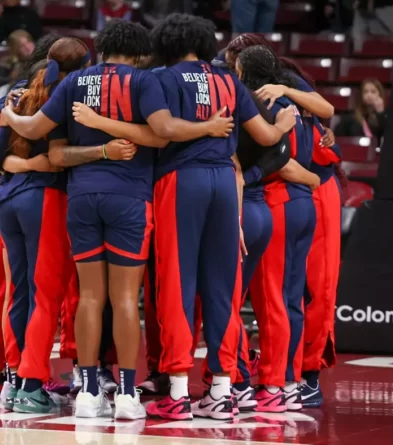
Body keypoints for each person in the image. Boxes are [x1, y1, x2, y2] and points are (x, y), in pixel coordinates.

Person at [1, 20, 233, 420]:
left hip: (82, 196)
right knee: (125, 299)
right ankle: (126, 395)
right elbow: (162, 135)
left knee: (90, 296)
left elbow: (36, 129)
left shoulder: (74, 82)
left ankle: (89, 391)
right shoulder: (145, 82)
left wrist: (10, 117)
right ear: (141, 52)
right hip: (130, 196)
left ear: (102, 48)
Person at [71, 14, 295, 420]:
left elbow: (164, 129)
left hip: (182, 180)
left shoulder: (161, 77)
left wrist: (200, 127)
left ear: (165, 42)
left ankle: (176, 391)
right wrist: (282, 124)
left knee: (176, 285)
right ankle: (222, 391)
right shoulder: (229, 79)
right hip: (225, 181)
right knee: (222, 290)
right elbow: (265, 137)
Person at [0, 47, 89, 413]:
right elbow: (59, 159)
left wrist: (23, 163)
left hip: (8, 200)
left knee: (21, 293)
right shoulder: (62, 101)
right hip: (42, 201)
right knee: (46, 297)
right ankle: (32, 386)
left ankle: (13, 383)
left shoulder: (17, 101)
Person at [0, 33, 64, 404]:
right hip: (33, 194)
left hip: (5, 194)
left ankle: (1, 372)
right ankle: (12, 373)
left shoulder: (16, 93)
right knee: (27, 289)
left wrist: (11, 159)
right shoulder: (53, 92)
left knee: (11, 289)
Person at [240, 45, 317, 413]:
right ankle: (290, 379)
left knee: (272, 299)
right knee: (290, 299)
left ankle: (273, 383)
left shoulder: (262, 107)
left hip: (278, 202)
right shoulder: (296, 105)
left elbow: (281, 162)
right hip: (303, 205)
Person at [300, 119, 342, 408]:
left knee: (316, 289)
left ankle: (308, 376)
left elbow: (324, 107)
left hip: (316, 192)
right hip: (281, 191)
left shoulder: (287, 93)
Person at [224, 34, 336, 120]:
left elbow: (327, 110)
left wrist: (285, 90)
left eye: (236, 67)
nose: (235, 73)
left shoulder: (284, 76)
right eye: (231, 67)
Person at [334, 78, 387, 147]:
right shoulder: (350, 118)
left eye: (373, 92)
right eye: (365, 92)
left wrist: (381, 113)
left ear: (380, 94)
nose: (369, 95)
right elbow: (339, 138)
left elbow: (387, 136)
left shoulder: (386, 116)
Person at [0, 30, 34, 99]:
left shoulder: (42, 60)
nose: (28, 48)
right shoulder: (6, 64)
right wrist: (11, 80)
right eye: (22, 46)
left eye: (29, 42)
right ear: (15, 49)